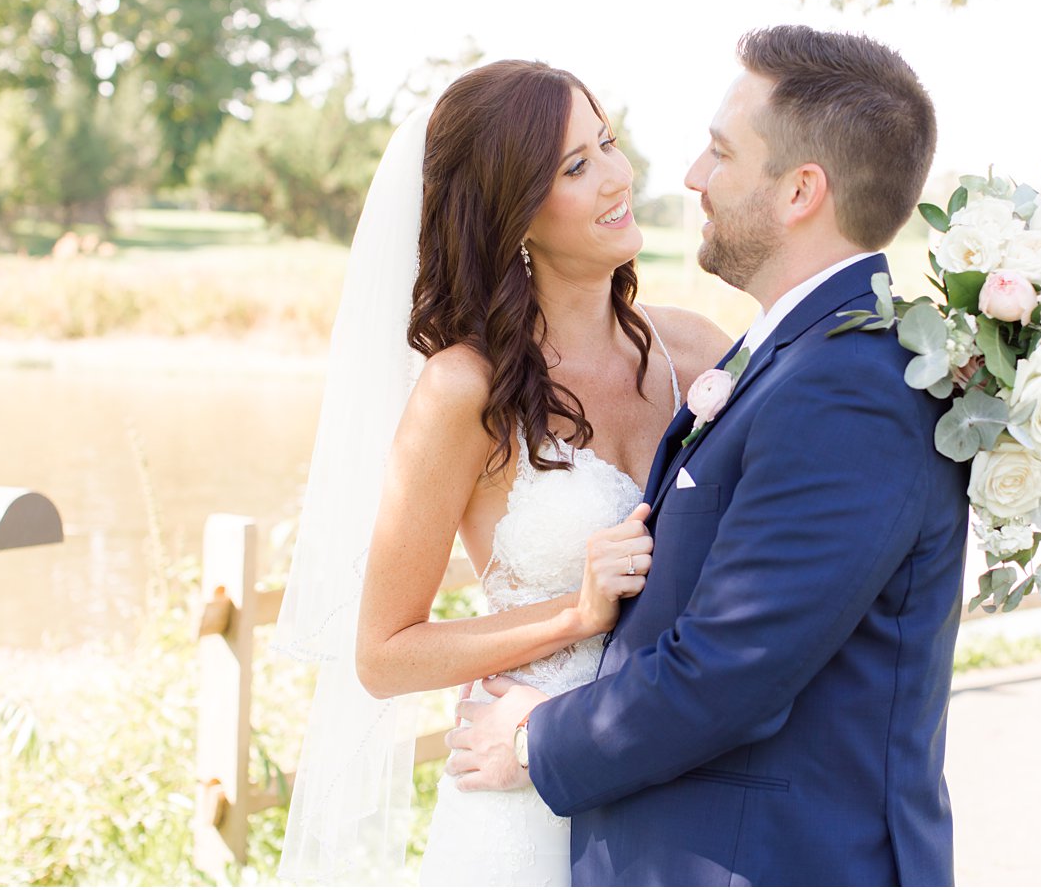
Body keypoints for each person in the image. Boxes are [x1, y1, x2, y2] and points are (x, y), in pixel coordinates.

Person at [451, 26, 972, 886]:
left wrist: (533, 735)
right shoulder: (791, 354)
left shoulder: (848, 385)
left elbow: (731, 669)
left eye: (722, 153)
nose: (691, 175)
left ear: (802, 189)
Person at [273, 59, 732, 885]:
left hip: (674, 788)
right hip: (519, 799)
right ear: (512, 210)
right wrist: (576, 612)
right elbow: (384, 654)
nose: (617, 178)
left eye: (608, 143)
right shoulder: (464, 389)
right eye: (575, 167)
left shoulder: (693, 352)